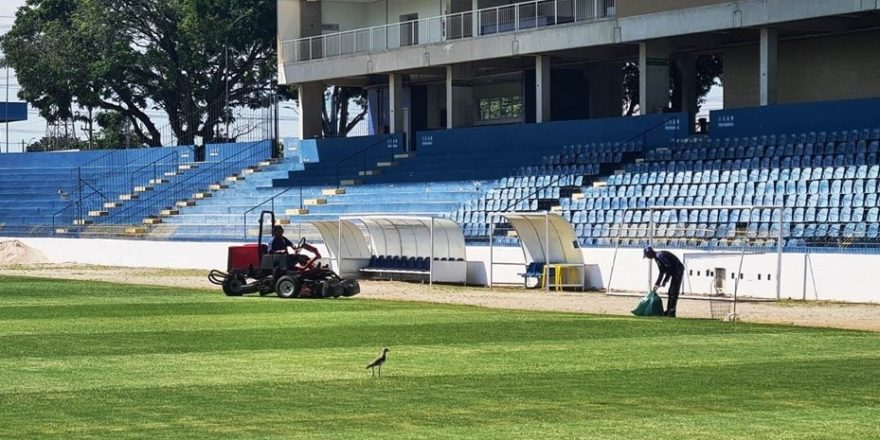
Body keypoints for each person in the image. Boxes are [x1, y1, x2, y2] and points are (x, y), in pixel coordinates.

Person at [643, 246, 684, 317]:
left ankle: (671, 312)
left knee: (673, 292)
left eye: (647, 256)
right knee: (671, 292)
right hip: (674, 271)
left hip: (677, 270)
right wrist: (657, 284)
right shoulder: (657, 258)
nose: (647, 257)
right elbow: (662, 272)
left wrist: (665, 280)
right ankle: (669, 311)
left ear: (649, 253)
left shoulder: (659, 256)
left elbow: (669, 268)